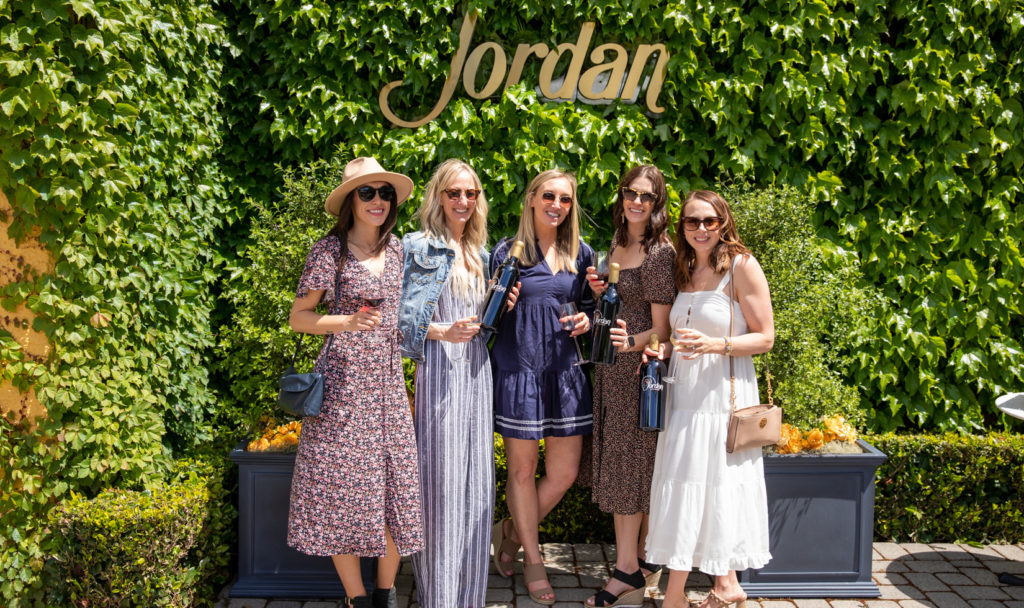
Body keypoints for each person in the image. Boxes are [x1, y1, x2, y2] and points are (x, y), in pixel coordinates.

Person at [286, 157, 423, 608]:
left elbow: (402, 321)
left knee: (393, 493)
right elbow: (298, 319)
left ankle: (385, 594)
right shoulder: (330, 252)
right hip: (343, 387)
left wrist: (440, 333)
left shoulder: (399, 250)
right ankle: (357, 599)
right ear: (350, 200)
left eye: (385, 192)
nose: (378, 200)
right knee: (341, 493)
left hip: (385, 388)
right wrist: (347, 320)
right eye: (368, 192)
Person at [644, 190, 775, 608]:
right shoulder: (684, 269)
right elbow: (678, 337)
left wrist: (716, 345)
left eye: (709, 221)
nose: (700, 229)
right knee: (688, 485)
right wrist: (660, 350)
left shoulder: (741, 266)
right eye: (691, 222)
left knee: (708, 484)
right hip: (684, 397)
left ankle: (678, 595)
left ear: (723, 223)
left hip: (719, 398)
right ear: (681, 228)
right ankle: (724, 586)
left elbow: (766, 338)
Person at [397, 159, 518, 608]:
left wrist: (501, 304)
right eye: (454, 193)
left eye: (471, 193)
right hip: (439, 372)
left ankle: (468, 597)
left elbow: (481, 322)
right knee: (442, 487)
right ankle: (440, 596)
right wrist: (441, 331)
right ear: (438, 196)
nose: (463, 201)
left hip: (476, 372)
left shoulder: (482, 252)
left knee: (476, 486)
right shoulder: (416, 247)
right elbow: (396, 319)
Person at [489, 169, 593, 606]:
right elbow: (488, 315)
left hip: (566, 372)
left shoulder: (581, 251)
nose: (557, 204)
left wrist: (589, 320)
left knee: (564, 473)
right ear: (531, 199)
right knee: (521, 471)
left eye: (565, 199)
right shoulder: (508, 251)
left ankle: (510, 533)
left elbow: (592, 307)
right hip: (521, 370)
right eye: (548, 195)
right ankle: (532, 558)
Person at [581, 165, 676, 607]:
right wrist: (599, 290)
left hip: (640, 376)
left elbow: (664, 330)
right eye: (630, 193)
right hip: (610, 375)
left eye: (647, 196)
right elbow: (616, 303)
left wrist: (629, 343)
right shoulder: (617, 244)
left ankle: (627, 573)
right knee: (625, 471)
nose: (637, 202)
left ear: (657, 204)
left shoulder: (659, 253)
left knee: (631, 473)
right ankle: (639, 563)